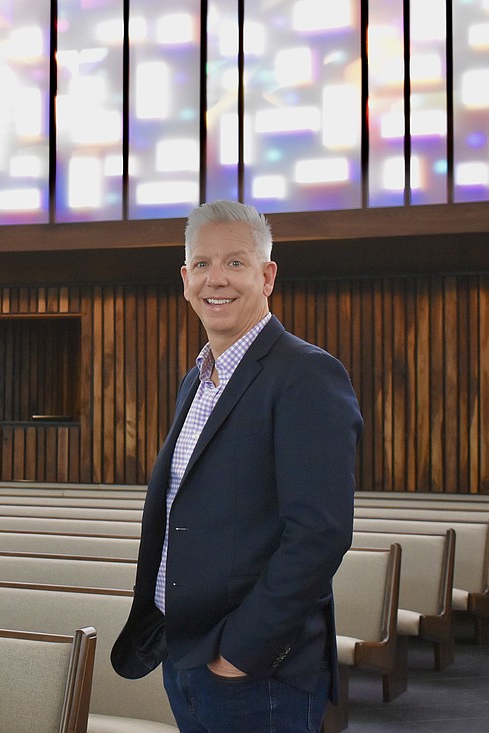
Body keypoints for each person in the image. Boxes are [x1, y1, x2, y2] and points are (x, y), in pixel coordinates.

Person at [111, 200, 363, 733]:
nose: (216, 279)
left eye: (235, 263)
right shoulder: (198, 378)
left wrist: (240, 655)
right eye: (202, 264)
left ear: (266, 276)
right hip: (185, 652)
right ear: (185, 280)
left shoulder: (306, 375)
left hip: (254, 672)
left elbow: (319, 533)